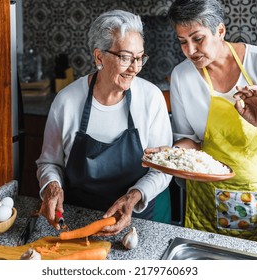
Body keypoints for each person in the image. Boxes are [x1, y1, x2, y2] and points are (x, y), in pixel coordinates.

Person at [160, 0, 257, 243]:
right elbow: (189, 141)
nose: (190, 51)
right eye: (182, 41)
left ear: (220, 31)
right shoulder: (182, 76)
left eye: (198, 39)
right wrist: (168, 156)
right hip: (208, 197)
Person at [36, 10, 173, 236]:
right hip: (79, 222)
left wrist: (133, 197)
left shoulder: (151, 98)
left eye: (139, 58)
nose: (135, 68)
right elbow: (49, 163)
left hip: (140, 221)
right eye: (126, 57)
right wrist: (51, 185)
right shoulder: (67, 101)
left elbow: (163, 169)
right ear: (99, 57)